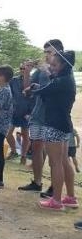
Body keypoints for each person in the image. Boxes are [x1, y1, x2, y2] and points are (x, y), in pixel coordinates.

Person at [30, 49, 77, 211]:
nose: (52, 66)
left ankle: (56, 200)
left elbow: (42, 91)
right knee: (64, 161)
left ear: (64, 64)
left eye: (55, 64)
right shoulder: (66, 79)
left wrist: (31, 89)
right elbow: (53, 83)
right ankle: (70, 197)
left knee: (55, 163)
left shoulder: (60, 81)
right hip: (64, 124)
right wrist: (47, 74)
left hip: (54, 124)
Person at [19, 39, 64, 193]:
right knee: (36, 148)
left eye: (49, 52)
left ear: (59, 53)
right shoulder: (40, 70)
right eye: (45, 52)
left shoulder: (62, 68)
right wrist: (26, 72)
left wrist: (47, 71)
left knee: (54, 155)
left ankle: (54, 187)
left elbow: (59, 86)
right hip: (37, 115)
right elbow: (27, 89)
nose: (46, 55)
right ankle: (37, 182)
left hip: (52, 117)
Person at [9, 60, 34, 165]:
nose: (23, 70)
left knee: (25, 135)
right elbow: (9, 94)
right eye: (21, 68)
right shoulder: (13, 80)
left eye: (25, 68)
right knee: (7, 132)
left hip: (27, 111)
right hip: (14, 110)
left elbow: (35, 98)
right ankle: (14, 151)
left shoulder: (34, 81)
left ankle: (23, 156)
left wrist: (31, 112)